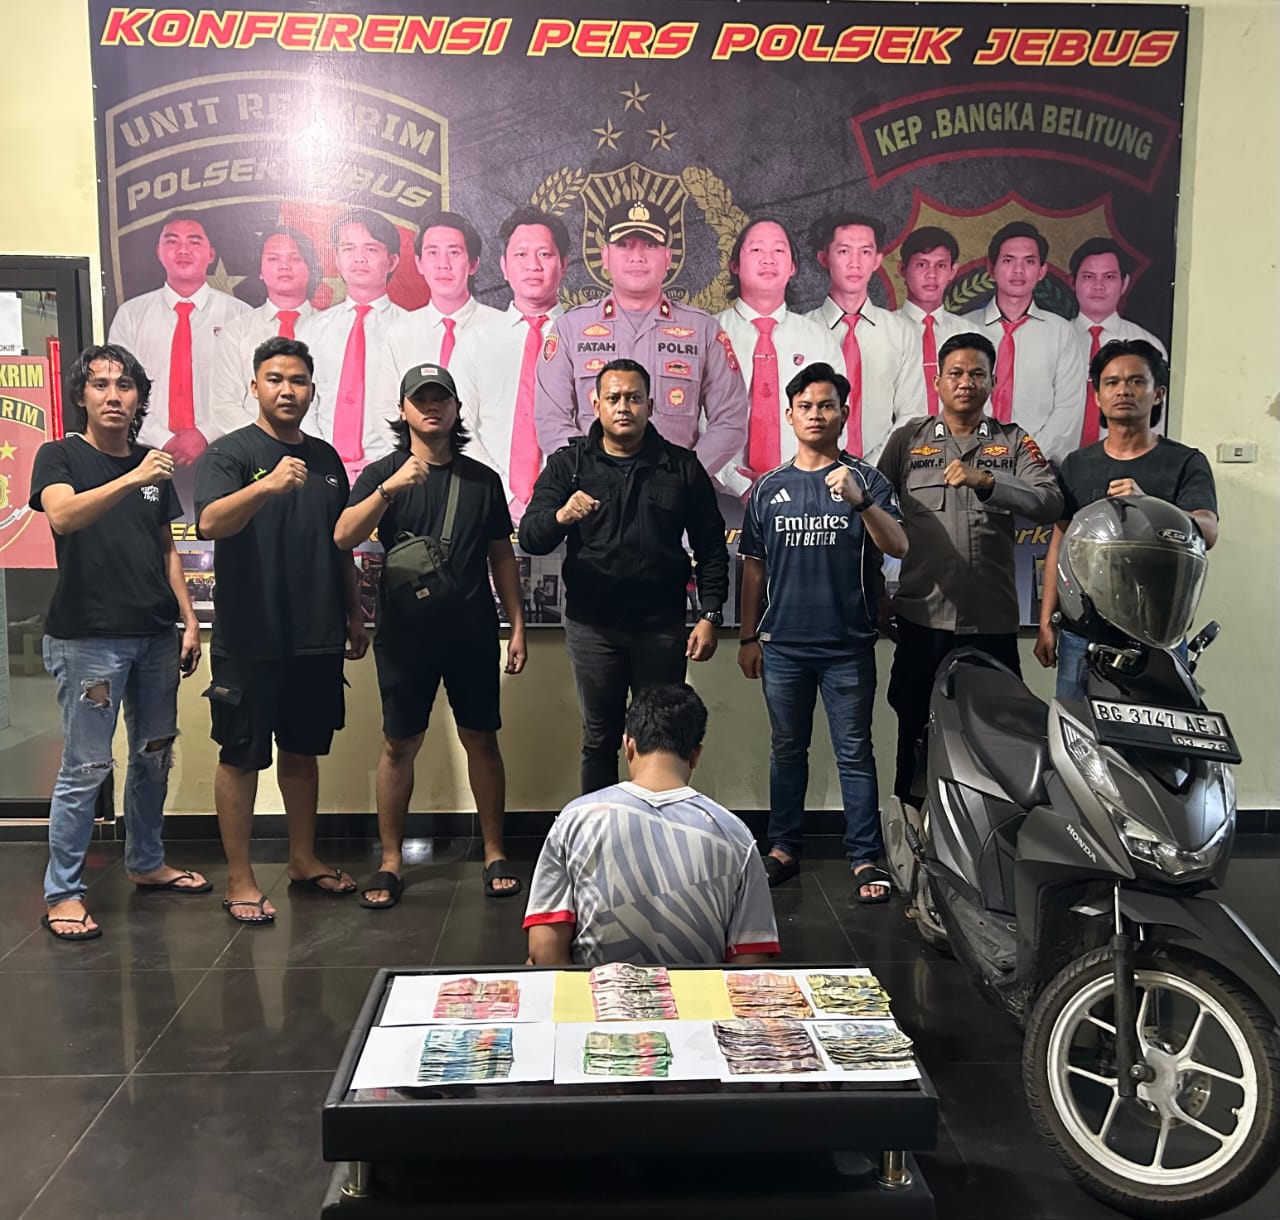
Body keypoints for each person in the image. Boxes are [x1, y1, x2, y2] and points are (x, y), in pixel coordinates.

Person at [29, 344, 207, 941]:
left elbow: (166, 547)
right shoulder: (60, 456)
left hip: (155, 635)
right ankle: (63, 893)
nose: (113, 395)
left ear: (138, 398)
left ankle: (147, 861)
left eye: (124, 385)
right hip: (89, 640)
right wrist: (132, 476)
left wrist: (188, 619)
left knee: (155, 755)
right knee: (87, 767)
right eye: (100, 384)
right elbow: (62, 517)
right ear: (81, 395)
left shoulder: (153, 466)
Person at [334, 364, 528, 905]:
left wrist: (516, 625)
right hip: (404, 636)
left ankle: (494, 852)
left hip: (471, 631)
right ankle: (390, 861)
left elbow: (501, 556)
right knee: (399, 744)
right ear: (403, 411)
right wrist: (389, 490)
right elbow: (343, 536)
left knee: (482, 739)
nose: (432, 407)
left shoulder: (482, 480)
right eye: (420, 400)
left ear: (456, 409)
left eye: (441, 398)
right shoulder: (383, 473)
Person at [194, 336, 369, 924]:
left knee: (302, 751)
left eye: (297, 380)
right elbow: (209, 522)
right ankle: (240, 879)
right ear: (254, 386)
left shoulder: (326, 460)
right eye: (274, 379)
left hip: (316, 633)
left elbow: (341, 544)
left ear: (312, 390)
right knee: (240, 755)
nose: (286, 390)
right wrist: (266, 484)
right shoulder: (229, 454)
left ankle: (302, 858)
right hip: (250, 636)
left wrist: (354, 612)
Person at [738, 363, 908, 901]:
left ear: (844, 414)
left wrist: (860, 500)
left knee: (854, 752)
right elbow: (754, 569)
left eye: (826, 406)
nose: (816, 415)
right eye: (806, 406)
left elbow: (899, 546)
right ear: (789, 416)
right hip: (782, 647)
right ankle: (783, 848)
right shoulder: (768, 487)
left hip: (848, 646)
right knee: (787, 750)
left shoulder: (868, 480)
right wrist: (747, 637)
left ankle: (865, 857)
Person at [519, 358, 728, 794]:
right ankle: (602, 830)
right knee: (599, 740)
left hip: (661, 628)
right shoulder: (569, 466)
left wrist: (710, 614)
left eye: (633, 398)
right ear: (595, 404)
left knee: (662, 739)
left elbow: (711, 546)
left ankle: (656, 827)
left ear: (651, 405)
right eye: (613, 398)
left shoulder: (681, 466)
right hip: (592, 628)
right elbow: (533, 537)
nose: (623, 407)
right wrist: (562, 515)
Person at [878, 333, 1063, 805]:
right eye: (956, 373)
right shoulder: (907, 442)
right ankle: (912, 827)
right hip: (923, 619)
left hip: (990, 623)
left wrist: (988, 481)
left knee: (999, 735)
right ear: (937, 381)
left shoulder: (1013, 442)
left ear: (993, 382)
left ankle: (990, 829)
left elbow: (1050, 501)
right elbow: (873, 514)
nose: (966, 382)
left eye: (977, 373)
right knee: (914, 730)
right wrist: (876, 591)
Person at [523, 684, 779, 966]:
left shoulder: (575, 819)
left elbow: (544, 948)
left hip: (596, 993)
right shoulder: (734, 834)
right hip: (697, 995)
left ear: (628, 746)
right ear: (696, 754)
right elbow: (751, 958)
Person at [1035, 339, 1218, 699]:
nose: (1123, 390)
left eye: (1136, 381)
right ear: (1098, 397)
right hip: (1082, 635)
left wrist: (1149, 504)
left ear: (1158, 393)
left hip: (1158, 636)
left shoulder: (1185, 461)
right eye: (1112, 382)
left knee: (1157, 729)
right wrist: (1046, 622)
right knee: (1078, 728)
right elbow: (1060, 544)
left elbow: (1208, 531)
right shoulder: (1076, 464)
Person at [534, 199, 747, 493]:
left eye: (649, 244)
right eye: (624, 245)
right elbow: (551, 420)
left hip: (676, 502)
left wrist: (682, 474)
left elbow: (731, 420)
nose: (637, 256)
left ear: (668, 257)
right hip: (593, 499)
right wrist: (590, 474)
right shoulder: (570, 329)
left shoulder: (703, 330)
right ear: (605, 256)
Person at [450, 207, 571, 520]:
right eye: (521, 254)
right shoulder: (475, 340)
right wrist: (505, 492)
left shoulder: (584, 338)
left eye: (545, 254)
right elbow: (457, 425)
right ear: (504, 266)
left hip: (569, 508)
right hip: (487, 504)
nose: (533, 265)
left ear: (564, 263)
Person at [714, 218, 845, 491]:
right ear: (734, 264)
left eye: (778, 250)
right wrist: (737, 484)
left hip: (804, 493)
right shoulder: (709, 334)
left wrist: (807, 477)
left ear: (792, 267)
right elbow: (694, 421)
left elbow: (835, 420)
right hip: (720, 495)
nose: (768, 259)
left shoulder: (818, 339)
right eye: (756, 250)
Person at [107, 211, 251, 459]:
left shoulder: (240, 315)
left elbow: (253, 391)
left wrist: (206, 435)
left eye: (194, 242)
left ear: (211, 254)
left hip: (225, 452)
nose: (183, 250)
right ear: (158, 251)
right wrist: (163, 439)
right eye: (172, 241)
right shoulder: (131, 315)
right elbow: (117, 388)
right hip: (146, 452)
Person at [963, 221, 1086, 463]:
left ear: (1042, 270)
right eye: (1009, 260)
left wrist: (1027, 457)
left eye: (1029, 261)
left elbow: (1068, 409)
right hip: (970, 462)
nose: (1018, 270)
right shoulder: (964, 328)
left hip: (1039, 466)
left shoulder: (1062, 332)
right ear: (991, 268)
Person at [303, 209, 412, 477]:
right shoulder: (313, 330)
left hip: (392, 471)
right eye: (348, 248)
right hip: (322, 469)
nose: (359, 258)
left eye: (371, 249)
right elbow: (303, 405)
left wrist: (388, 464)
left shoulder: (412, 329)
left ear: (392, 261)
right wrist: (325, 458)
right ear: (337, 259)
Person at [804, 211, 919, 463]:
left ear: (877, 260)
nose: (855, 263)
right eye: (844, 251)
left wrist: (870, 467)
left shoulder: (901, 332)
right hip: (812, 470)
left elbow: (911, 414)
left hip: (882, 471)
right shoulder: (802, 331)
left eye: (865, 252)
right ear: (824, 258)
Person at [209, 226, 321, 433]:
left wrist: (314, 445)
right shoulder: (236, 332)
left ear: (310, 268)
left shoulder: (332, 330)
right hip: (253, 449)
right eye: (273, 258)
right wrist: (265, 442)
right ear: (260, 271)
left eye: (295, 258)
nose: (284, 266)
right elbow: (224, 405)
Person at [1069, 238, 1168, 448]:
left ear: (1124, 283)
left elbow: (1156, 422)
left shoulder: (1148, 344)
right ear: (1073, 282)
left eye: (1109, 277)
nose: (1098, 286)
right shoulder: (1055, 339)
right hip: (1053, 460)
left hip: (1123, 457)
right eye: (1088, 276)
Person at [399, 210, 503, 366]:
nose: (443, 264)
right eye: (433, 252)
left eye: (454, 252)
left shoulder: (501, 329)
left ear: (473, 264)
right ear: (419, 263)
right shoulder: (399, 332)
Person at [894, 225, 970, 416]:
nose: (932, 275)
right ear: (902, 268)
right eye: (922, 264)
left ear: (953, 270)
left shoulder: (969, 334)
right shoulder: (884, 331)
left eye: (941, 266)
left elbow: (981, 404)